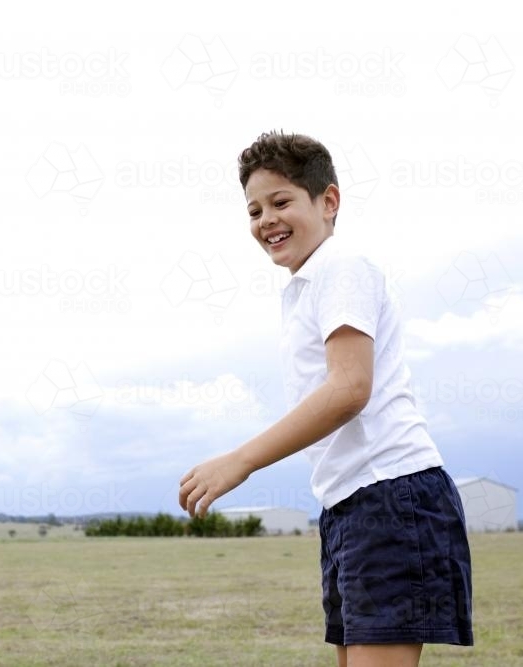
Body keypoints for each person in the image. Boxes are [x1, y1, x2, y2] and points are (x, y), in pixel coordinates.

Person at [178, 131, 473, 667]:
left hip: (391, 496)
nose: (265, 219)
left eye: (281, 201)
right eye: (253, 209)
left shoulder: (342, 266)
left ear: (328, 201)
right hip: (350, 505)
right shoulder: (305, 288)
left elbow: (348, 389)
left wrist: (241, 461)